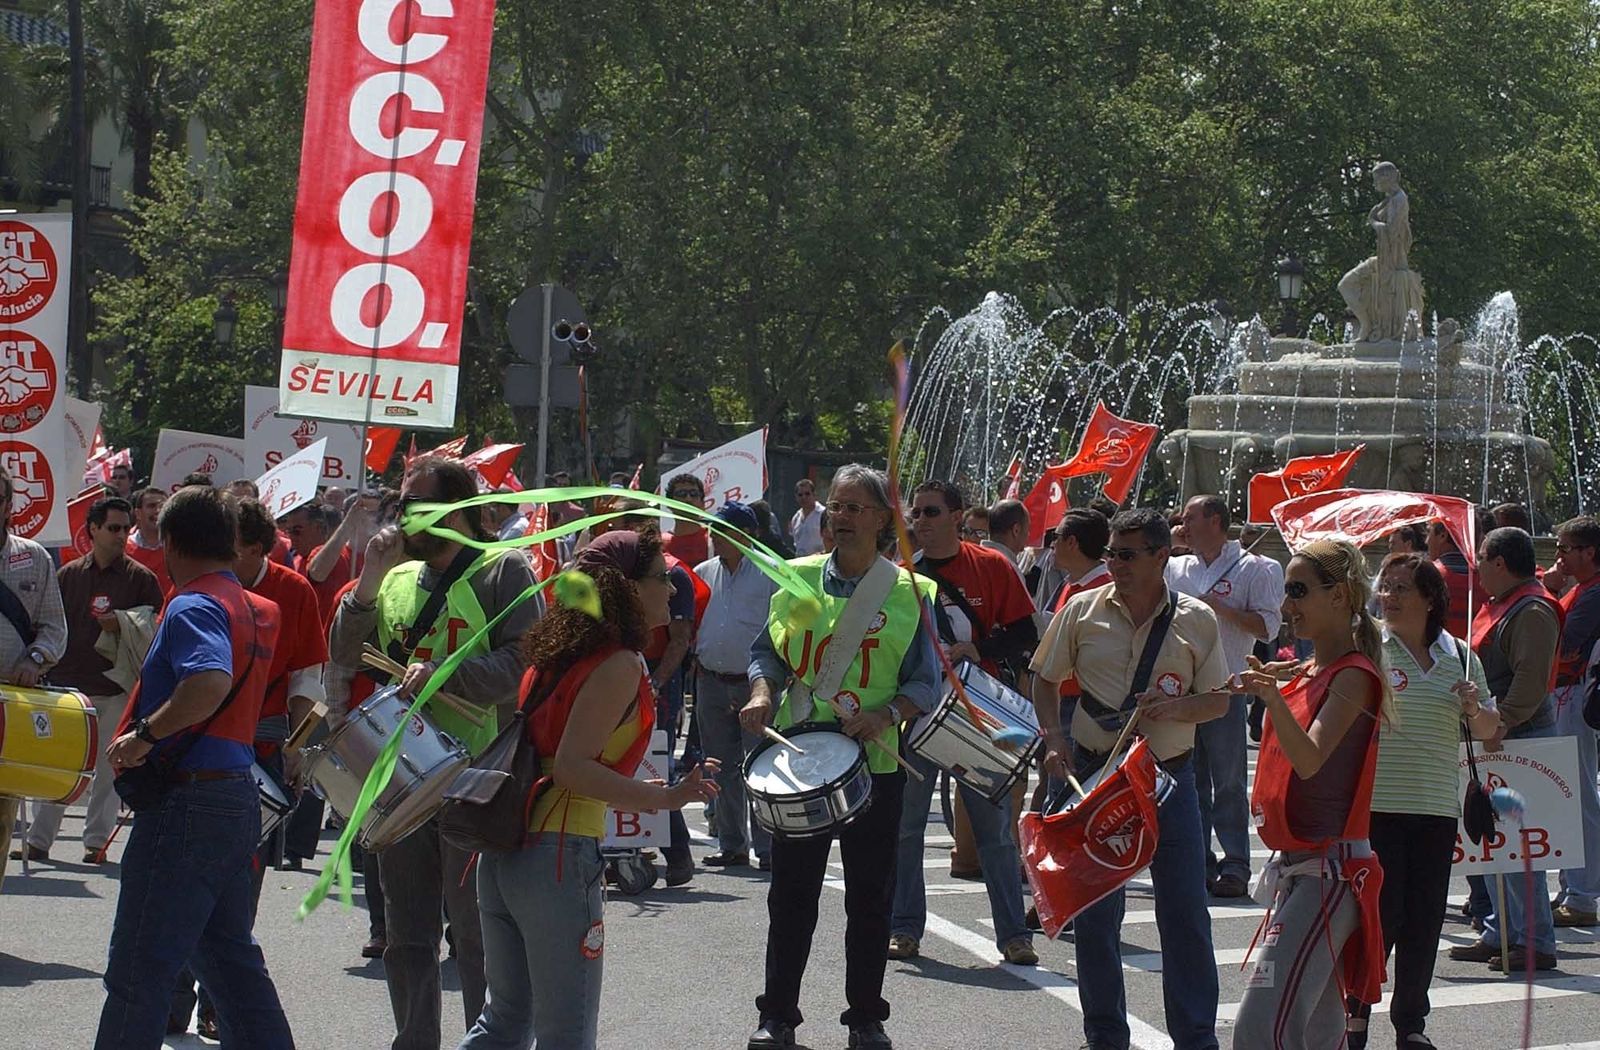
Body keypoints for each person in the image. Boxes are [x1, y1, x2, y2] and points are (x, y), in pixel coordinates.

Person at [458, 530, 719, 1050]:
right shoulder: (617, 663)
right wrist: (667, 798)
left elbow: (561, 758)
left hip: (508, 853)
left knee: (503, 1024)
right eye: (661, 578)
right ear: (626, 588)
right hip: (556, 859)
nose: (672, 589)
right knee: (566, 1035)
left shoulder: (557, 654)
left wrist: (637, 790)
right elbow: (575, 769)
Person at [329, 455, 540, 1050]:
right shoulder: (396, 576)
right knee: (406, 932)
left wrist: (447, 674)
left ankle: (487, 1040)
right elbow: (346, 653)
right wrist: (368, 578)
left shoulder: (504, 571)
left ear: (458, 510)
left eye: (417, 504)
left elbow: (525, 664)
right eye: (401, 504)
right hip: (401, 773)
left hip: (476, 774)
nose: (404, 516)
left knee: (475, 933)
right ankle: (413, 1039)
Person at [739, 463, 940, 1050]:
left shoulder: (911, 592)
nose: (841, 517)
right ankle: (777, 1017)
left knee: (870, 900)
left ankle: (866, 1018)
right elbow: (766, 656)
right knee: (791, 898)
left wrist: (888, 713)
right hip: (798, 762)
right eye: (835, 505)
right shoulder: (794, 578)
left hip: (874, 765)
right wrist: (760, 692)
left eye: (855, 507)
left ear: (882, 520)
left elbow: (925, 682)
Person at [93, 485, 292, 1049]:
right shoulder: (258, 608)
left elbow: (208, 681)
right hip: (234, 792)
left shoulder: (194, 602)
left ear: (172, 540)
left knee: (139, 969)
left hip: (189, 798)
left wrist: (144, 735)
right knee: (230, 963)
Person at [1029, 508, 1231, 1050]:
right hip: (1098, 776)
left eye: (1126, 554)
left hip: (1170, 781)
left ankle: (1195, 1038)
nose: (1113, 563)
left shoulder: (1197, 619)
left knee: (1185, 914)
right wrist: (1054, 740)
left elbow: (1218, 703)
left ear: (1162, 556)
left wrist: (1176, 707)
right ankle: (1105, 1037)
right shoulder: (1081, 609)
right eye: (1112, 553)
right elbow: (1044, 680)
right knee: (1096, 916)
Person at [170, 496, 329, 1039]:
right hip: (198, 743)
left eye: (230, 549)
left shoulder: (293, 589)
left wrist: (300, 749)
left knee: (241, 878)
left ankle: (220, 1001)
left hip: (262, 746)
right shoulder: (197, 583)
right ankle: (176, 994)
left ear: (257, 549)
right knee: (178, 875)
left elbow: (310, 681)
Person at [1234, 539, 1390, 1049]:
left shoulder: (1353, 676)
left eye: (1298, 591)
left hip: (1329, 875)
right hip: (1305, 873)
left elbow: (1310, 758)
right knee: (1322, 1035)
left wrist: (1271, 697)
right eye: (1285, 591)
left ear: (1340, 596)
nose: (1286, 605)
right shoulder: (1307, 671)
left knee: (1259, 1030)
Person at [1343, 553, 1499, 1050]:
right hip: (1378, 809)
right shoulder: (1370, 646)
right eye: (1383, 587)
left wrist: (1475, 706)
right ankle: (1356, 1015)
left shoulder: (1462, 654)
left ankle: (1410, 1024)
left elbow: (1491, 730)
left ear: (1430, 599)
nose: (1386, 596)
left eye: (1400, 589)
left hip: (1436, 810)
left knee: (1424, 921)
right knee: (1377, 921)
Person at [894, 479, 1038, 965]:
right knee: (907, 828)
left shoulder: (993, 565)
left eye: (931, 512)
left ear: (958, 517)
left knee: (995, 830)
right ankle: (904, 928)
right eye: (916, 513)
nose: (921, 522)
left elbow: (1024, 632)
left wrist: (980, 649)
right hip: (916, 714)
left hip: (978, 715)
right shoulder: (900, 575)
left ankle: (1014, 935)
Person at [1449, 526, 1563, 971]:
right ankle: (1502, 933)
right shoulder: (1509, 604)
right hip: (1500, 733)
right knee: (1494, 842)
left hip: (1520, 734)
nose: (1476, 567)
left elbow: (1530, 682)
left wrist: (1501, 723)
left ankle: (1534, 942)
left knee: (1520, 847)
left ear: (1499, 563)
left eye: (1481, 558)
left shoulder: (1531, 610)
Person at [14, 497, 144, 865]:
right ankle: (39, 841)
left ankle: (97, 843)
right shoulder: (68, 574)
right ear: (93, 530)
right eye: (114, 528)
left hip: (114, 688)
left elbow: (152, 626)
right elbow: (45, 621)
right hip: (65, 688)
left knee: (106, 771)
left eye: (126, 528)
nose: (122, 535)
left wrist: (123, 622)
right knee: (55, 765)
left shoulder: (140, 578)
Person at [1166, 495, 1283, 897]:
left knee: (1228, 781)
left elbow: (1269, 627)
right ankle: (1199, 860)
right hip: (1182, 689)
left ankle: (1235, 863)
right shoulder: (1176, 566)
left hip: (1228, 687)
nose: (1183, 522)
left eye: (1190, 517)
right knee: (1189, 778)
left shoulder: (1257, 568)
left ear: (1214, 521)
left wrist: (1221, 608)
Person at [693, 501, 778, 869]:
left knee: (763, 767)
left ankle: (769, 848)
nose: (715, 536)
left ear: (748, 535)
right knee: (720, 766)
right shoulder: (703, 572)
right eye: (713, 528)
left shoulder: (771, 573)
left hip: (755, 685)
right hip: (711, 680)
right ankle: (732, 845)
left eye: (724, 530)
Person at [0, 462, 68, 882]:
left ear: (8, 506)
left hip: (12, 708)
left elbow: (55, 628)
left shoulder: (35, 557)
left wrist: (36, 659)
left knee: (1, 816)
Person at [1548, 516, 1600, 927]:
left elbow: (1563, 647)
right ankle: (1572, 888)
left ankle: (1582, 896)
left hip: (1576, 698)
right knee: (1569, 797)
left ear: (1590, 553)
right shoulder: (1582, 590)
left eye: (1565, 548)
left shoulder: (1593, 594)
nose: (1559, 556)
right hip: (1568, 696)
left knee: (1578, 796)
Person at [1427, 520, 1477, 639]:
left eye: (1428, 533)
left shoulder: (1425, 574)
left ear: (1442, 536)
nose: (1426, 541)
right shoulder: (1490, 578)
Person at [126, 486, 170, 593]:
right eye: (151, 506)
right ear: (138, 513)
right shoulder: (123, 547)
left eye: (162, 506)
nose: (158, 511)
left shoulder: (178, 548)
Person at [663, 472, 713, 565]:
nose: (688, 499)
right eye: (681, 494)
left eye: (694, 494)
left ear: (703, 504)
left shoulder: (714, 540)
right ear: (669, 504)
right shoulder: (659, 544)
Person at [790, 478, 824, 556]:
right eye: (800, 495)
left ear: (814, 495)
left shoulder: (824, 514)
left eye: (807, 494)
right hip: (800, 563)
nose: (804, 497)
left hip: (819, 563)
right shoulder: (795, 518)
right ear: (796, 497)